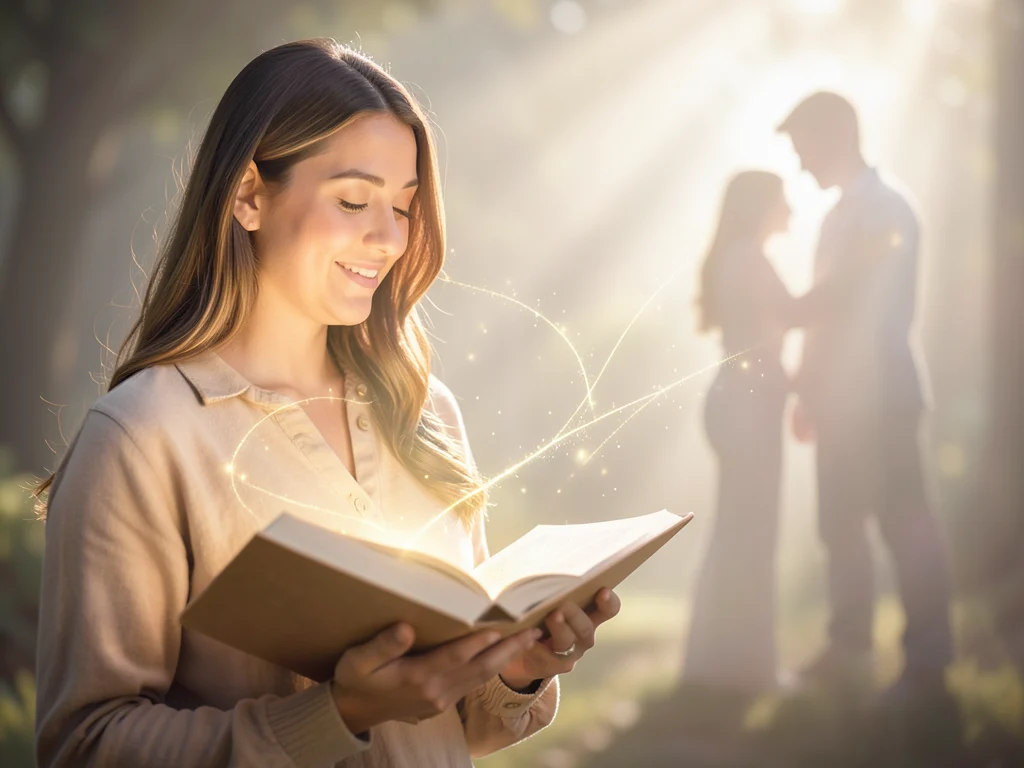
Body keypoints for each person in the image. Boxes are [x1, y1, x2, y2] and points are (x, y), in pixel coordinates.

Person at [33, 39, 621, 768]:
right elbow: (84, 746)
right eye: (352, 201)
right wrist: (341, 713)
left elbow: (454, 726)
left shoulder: (425, 413)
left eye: (403, 207)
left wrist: (516, 668)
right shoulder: (143, 436)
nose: (389, 238)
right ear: (249, 195)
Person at [778, 91, 954, 700]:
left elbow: (844, 294)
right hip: (837, 403)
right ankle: (849, 648)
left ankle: (928, 664)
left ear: (835, 137)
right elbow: (828, 308)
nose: (801, 163)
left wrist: (776, 310)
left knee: (906, 527)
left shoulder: (886, 209)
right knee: (839, 528)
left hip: (883, 398)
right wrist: (806, 387)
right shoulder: (836, 216)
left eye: (804, 148)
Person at [683, 170, 795, 694]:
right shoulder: (749, 258)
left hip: (737, 401)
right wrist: (856, 275)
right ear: (761, 206)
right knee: (750, 532)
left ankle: (720, 664)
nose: (791, 209)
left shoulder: (735, 257)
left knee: (738, 530)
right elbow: (794, 313)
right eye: (782, 199)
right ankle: (744, 670)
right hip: (750, 407)